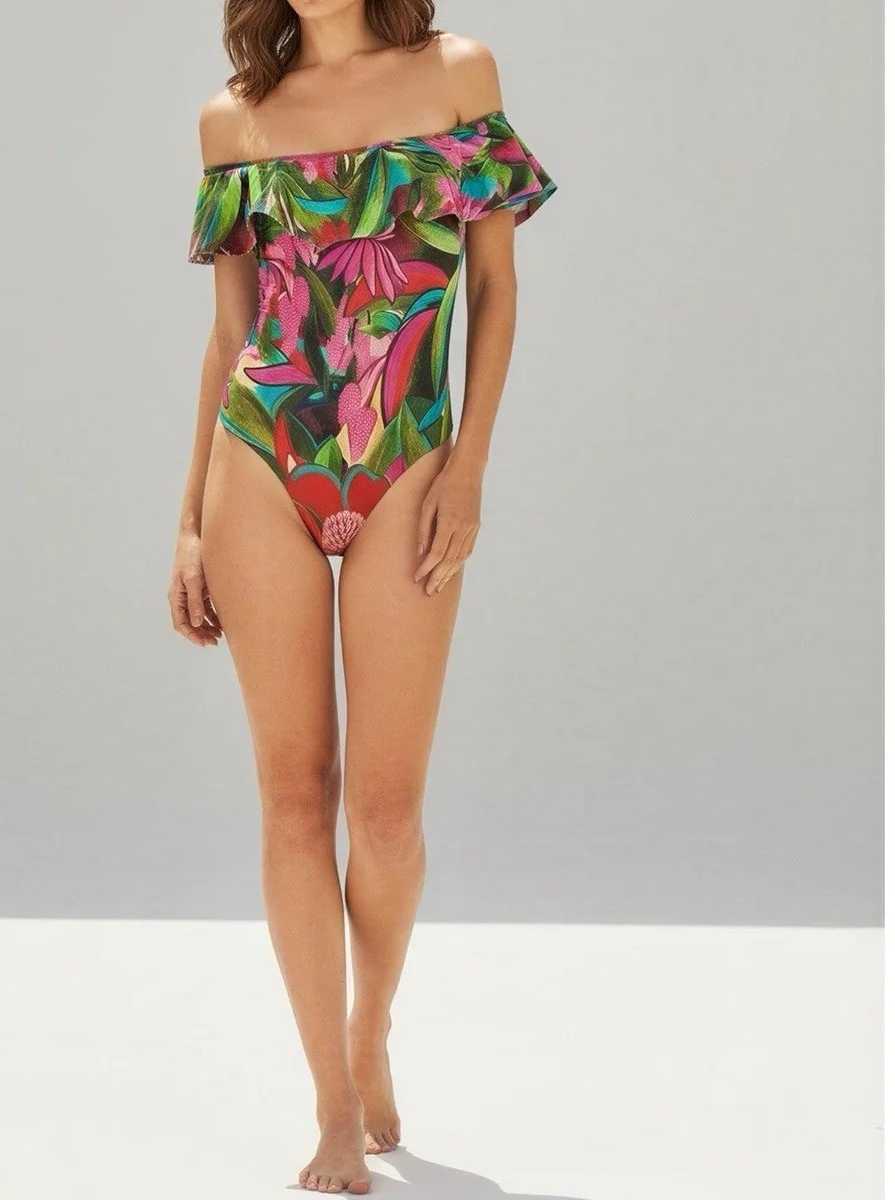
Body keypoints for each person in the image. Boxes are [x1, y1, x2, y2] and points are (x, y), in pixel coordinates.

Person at [168, 1, 555, 1191]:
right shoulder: (234, 118)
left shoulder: (456, 72)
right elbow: (230, 330)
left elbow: (496, 288)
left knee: (386, 815)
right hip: (259, 457)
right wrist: (189, 521)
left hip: (411, 456)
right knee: (295, 800)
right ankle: (332, 1106)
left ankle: (369, 1024)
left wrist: (470, 468)